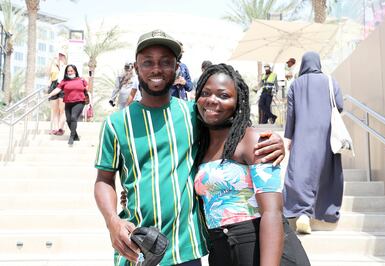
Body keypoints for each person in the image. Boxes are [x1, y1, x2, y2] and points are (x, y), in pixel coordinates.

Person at [94, 29, 285, 266]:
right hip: (135, 247)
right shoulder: (115, 124)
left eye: (166, 62)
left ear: (176, 68)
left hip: (187, 250)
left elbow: (235, 129)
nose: (157, 69)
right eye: (148, 62)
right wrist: (112, 220)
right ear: (136, 67)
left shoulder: (196, 114)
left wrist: (274, 141)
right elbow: (104, 179)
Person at [194, 64, 310, 266]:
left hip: (262, 248)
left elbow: (272, 212)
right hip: (221, 249)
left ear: (238, 101)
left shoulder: (253, 140)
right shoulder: (200, 144)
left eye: (223, 95)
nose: (212, 100)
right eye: (205, 93)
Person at [283, 51, 344, 234]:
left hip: (302, 133)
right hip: (326, 135)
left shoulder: (295, 84)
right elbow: (339, 106)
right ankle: (323, 211)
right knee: (325, 170)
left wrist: (289, 137)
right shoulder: (330, 81)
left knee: (299, 172)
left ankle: (302, 213)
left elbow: (291, 115)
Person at [48, 64, 88, 145]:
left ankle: (71, 137)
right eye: (68, 71)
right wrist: (50, 94)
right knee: (69, 120)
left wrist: (90, 77)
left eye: (71, 71)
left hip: (79, 101)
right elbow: (58, 89)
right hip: (68, 102)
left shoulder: (81, 80)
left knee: (73, 117)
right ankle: (75, 135)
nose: (70, 72)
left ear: (75, 71)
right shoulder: (64, 81)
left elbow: (87, 88)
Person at [47, 52, 67, 135]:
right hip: (54, 85)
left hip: (63, 85)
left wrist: (63, 62)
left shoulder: (66, 66)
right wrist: (53, 61)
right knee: (55, 110)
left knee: (62, 109)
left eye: (62, 55)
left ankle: (60, 128)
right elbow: (48, 73)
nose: (60, 57)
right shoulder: (52, 65)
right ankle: (55, 128)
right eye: (59, 55)